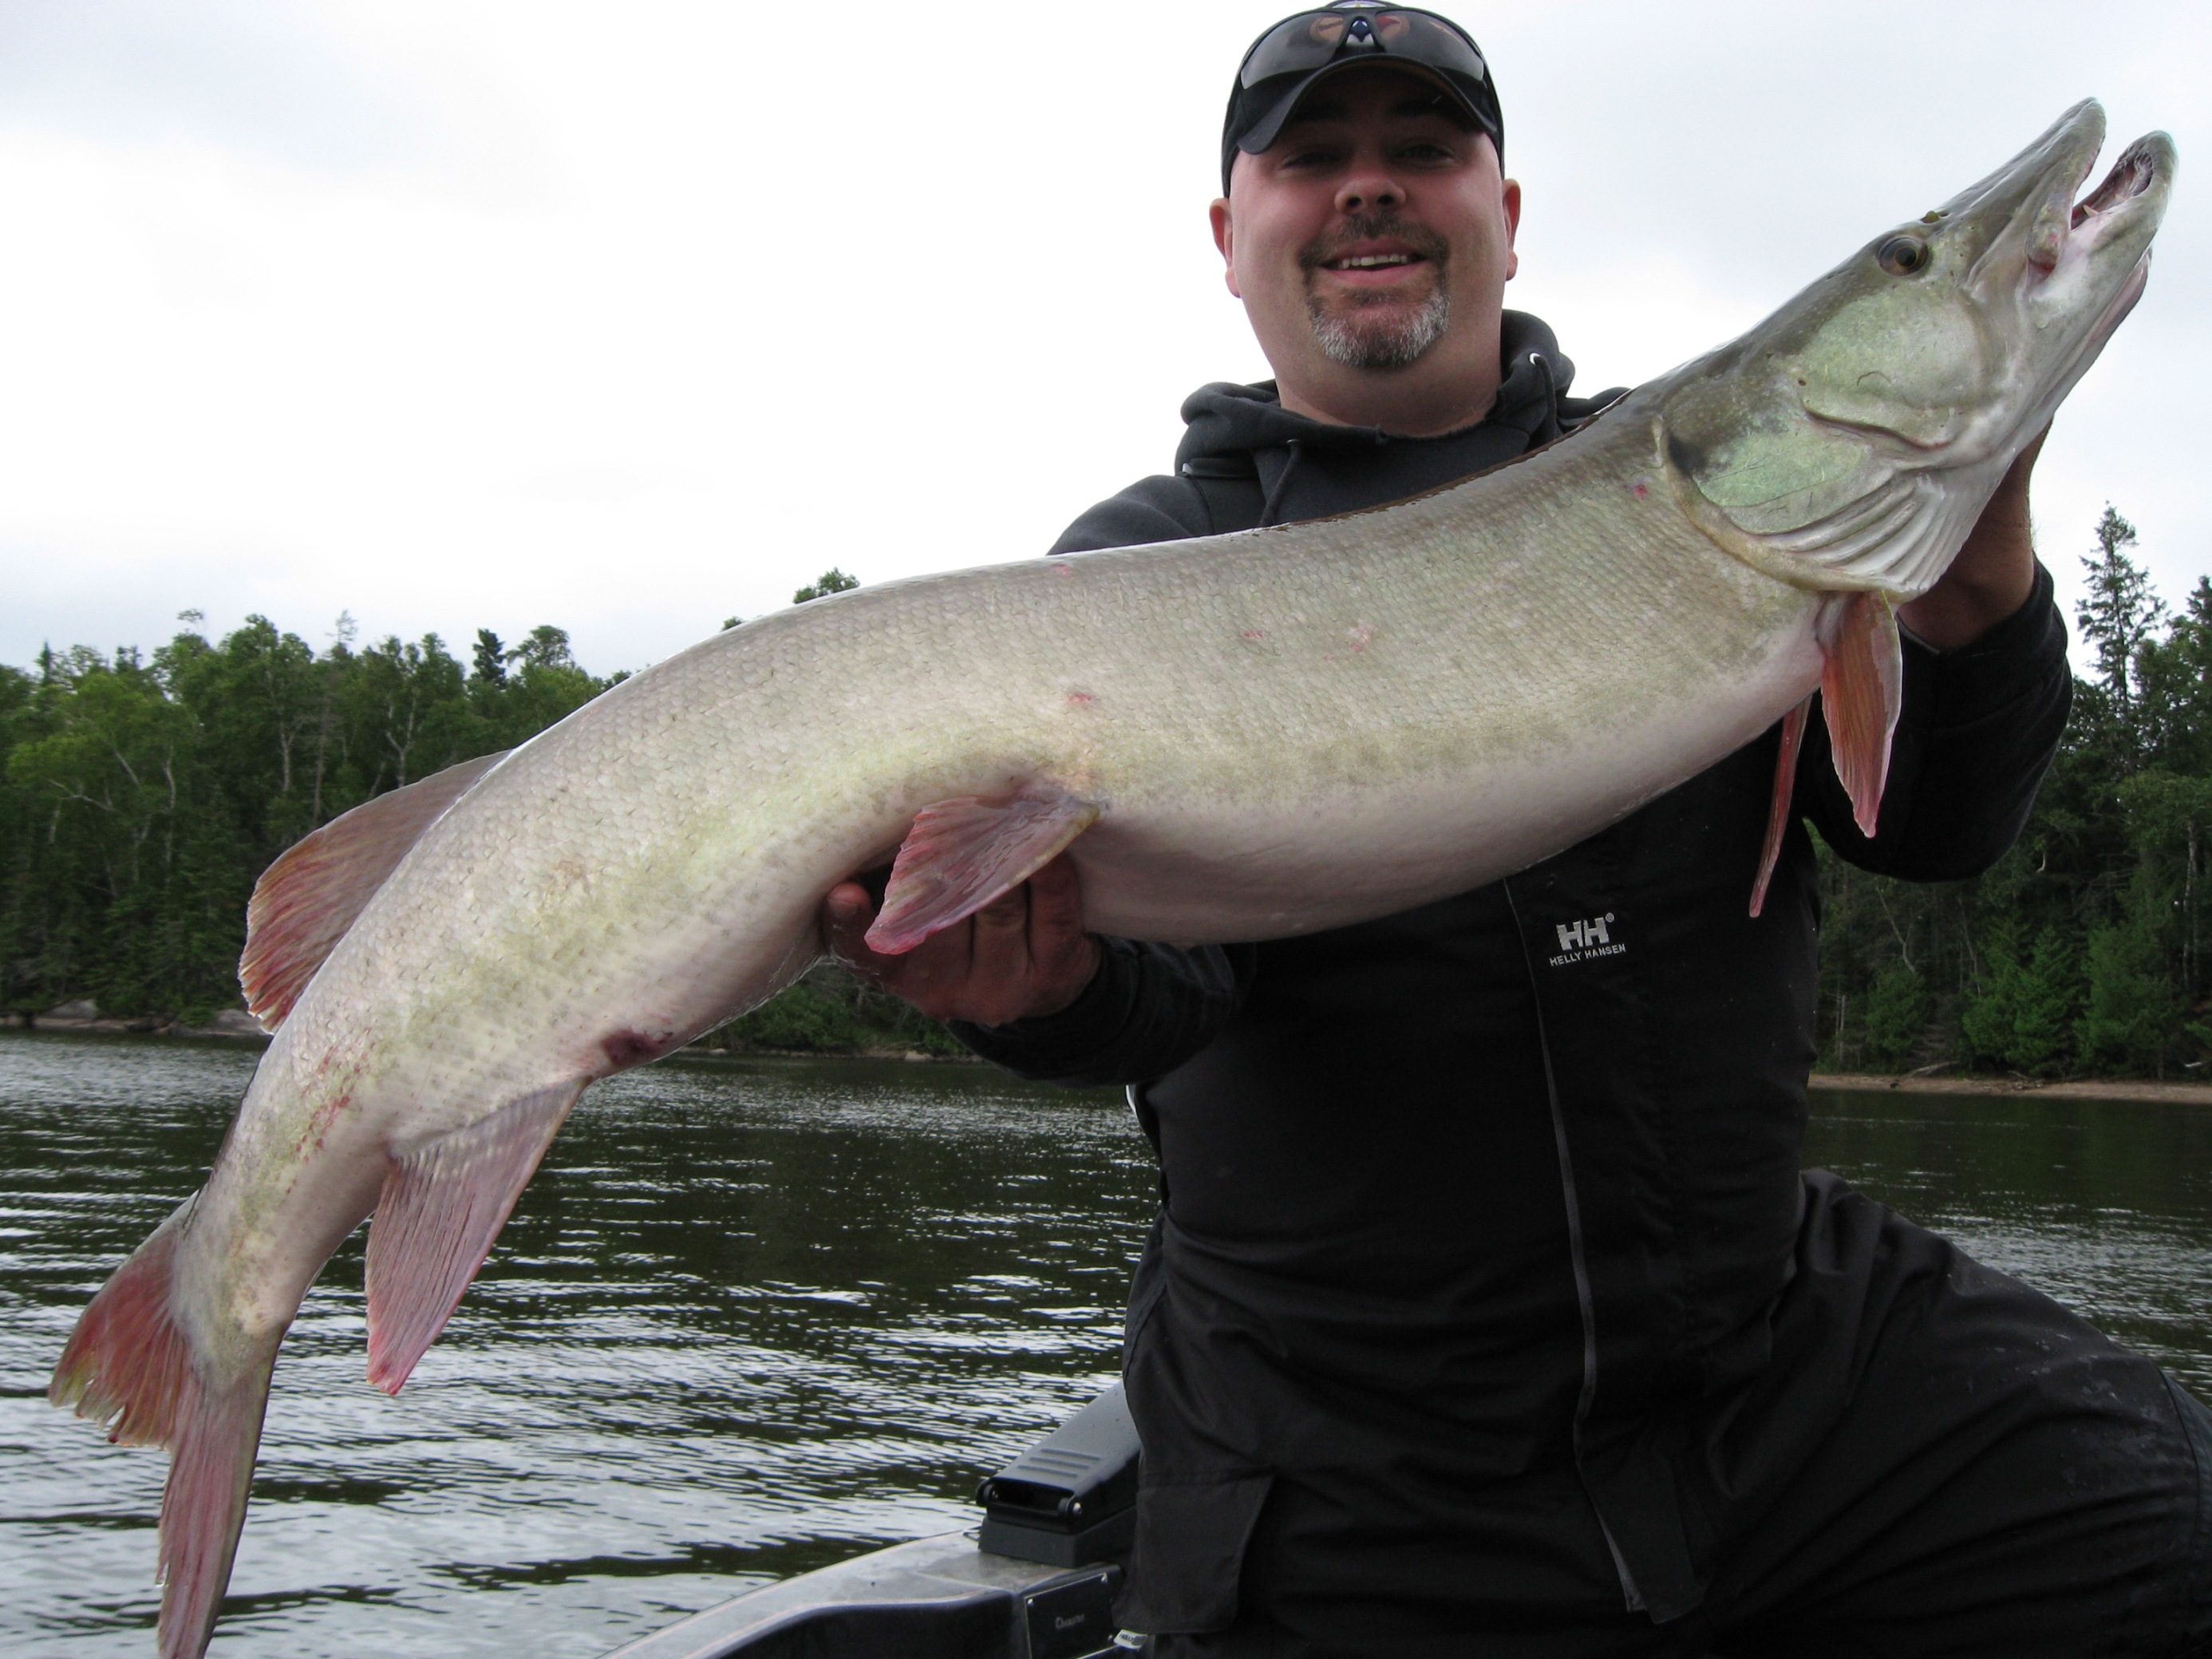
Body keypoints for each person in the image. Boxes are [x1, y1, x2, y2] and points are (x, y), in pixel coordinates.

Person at [828, 6, 2212, 1654]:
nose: (1371, 189)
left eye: (1423, 150)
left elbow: (1930, 828)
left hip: (1767, 1362)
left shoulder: (1718, 488)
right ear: (1229, 235)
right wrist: (1035, 990)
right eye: (1314, 158)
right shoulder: (1140, 568)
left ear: (1506, 210)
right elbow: (1166, 984)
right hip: (1359, 1448)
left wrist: (1980, 594)